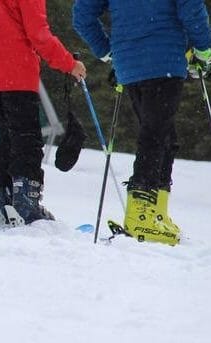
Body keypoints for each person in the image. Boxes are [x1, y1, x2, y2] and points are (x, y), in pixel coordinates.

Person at [73, 0, 211, 245]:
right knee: (156, 135)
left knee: (163, 135)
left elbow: (82, 16)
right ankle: (140, 212)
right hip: (164, 58)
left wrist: (108, 50)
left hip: (130, 64)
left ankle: (156, 209)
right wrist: (204, 48)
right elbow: (190, 8)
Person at [0, 0, 86, 226]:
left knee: (8, 137)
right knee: (26, 139)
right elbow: (38, 33)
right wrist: (69, 63)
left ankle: (3, 197)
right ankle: (25, 202)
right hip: (15, 69)